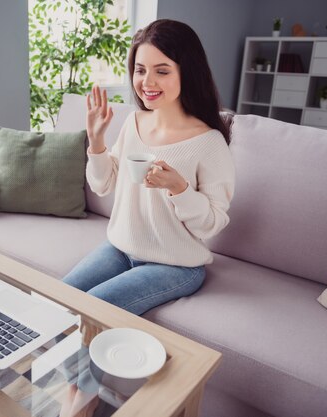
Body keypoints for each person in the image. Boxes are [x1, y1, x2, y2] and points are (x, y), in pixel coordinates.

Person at [58, 18, 235, 417]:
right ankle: (76, 394)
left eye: (161, 70)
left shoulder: (209, 143)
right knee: (62, 297)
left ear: (185, 72)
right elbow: (103, 185)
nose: (147, 81)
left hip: (177, 264)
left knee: (96, 308)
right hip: (121, 248)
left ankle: (77, 407)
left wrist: (178, 189)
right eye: (140, 70)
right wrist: (98, 142)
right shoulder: (134, 123)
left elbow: (212, 223)